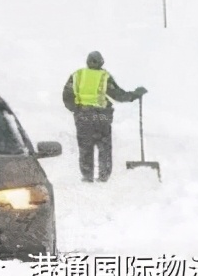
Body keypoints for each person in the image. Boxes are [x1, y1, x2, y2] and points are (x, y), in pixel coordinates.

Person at [61, 51, 146, 182]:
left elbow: (67, 95)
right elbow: (118, 95)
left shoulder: (77, 75)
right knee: (104, 145)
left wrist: (76, 109)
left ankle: (87, 176)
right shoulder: (104, 76)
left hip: (83, 116)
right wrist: (135, 94)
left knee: (85, 147)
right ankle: (103, 176)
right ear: (101, 62)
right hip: (102, 117)